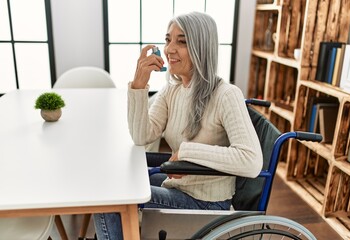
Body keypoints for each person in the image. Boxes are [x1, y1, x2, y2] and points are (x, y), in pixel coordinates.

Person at [93, 11, 263, 239]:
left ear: (201, 47)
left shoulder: (226, 95)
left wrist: (187, 152)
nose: (170, 49)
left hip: (205, 203)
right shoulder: (172, 90)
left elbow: (251, 161)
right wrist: (138, 85)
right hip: (179, 187)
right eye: (168, 39)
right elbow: (141, 136)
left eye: (181, 41)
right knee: (118, 181)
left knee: (111, 194)